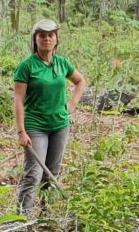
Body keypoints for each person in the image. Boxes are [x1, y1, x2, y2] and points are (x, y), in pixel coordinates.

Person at [12, 19, 87, 216]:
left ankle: (46, 217)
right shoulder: (26, 67)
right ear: (35, 39)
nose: (46, 39)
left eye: (50, 35)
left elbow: (80, 82)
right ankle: (23, 219)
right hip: (35, 127)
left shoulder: (61, 63)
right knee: (33, 175)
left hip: (59, 126)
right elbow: (18, 100)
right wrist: (21, 131)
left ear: (56, 40)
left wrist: (72, 104)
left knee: (51, 174)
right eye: (42, 35)